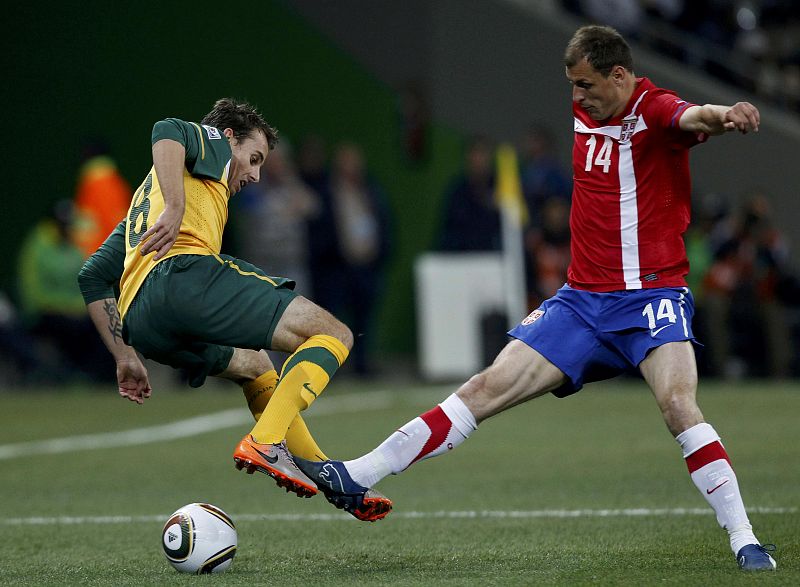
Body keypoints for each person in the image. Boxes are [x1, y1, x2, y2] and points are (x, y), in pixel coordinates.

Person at [292, 26, 777, 571]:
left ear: (619, 76)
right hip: (581, 301)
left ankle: (745, 539)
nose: (576, 97)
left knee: (678, 406)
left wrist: (725, 114)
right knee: (485, 386)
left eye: (585, 84)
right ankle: (359, 474)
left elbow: (693, 116)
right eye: (571, 85)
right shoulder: (591, 108)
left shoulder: (655, 110)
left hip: (651, 296)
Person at [76, 98, 391, 522]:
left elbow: (93, 276)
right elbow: (166, 127)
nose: (256, 174)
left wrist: (126, 357)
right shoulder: (212, 144)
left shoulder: (141, 205)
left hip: (145, 324)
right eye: (254, 158)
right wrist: (175, 208)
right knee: (334, 334)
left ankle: (326, 472)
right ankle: (267, 440)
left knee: (254, 365)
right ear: (228, 138)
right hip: (184, 278)